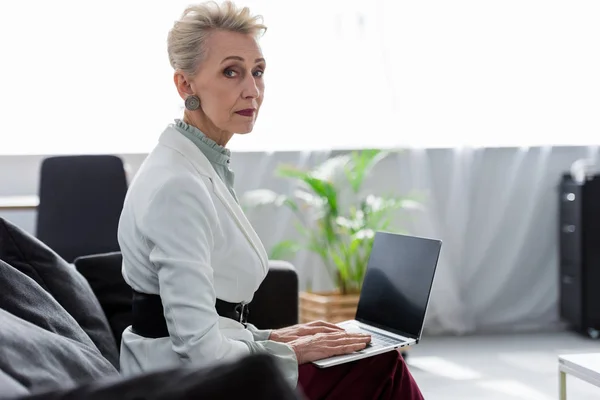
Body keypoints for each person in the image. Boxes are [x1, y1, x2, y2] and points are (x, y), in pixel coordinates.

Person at [117, 1, 424, 399]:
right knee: (380, 364)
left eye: (258, 71)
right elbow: (198, 350)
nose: (253, 89)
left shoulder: (200, 165)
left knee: (370, 356)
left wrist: (274, 336)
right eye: (231, 72)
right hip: (185, 382)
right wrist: (289, 350)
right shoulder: (178, 186)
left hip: (207, 361)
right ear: (185, 85)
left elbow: (211, 319)